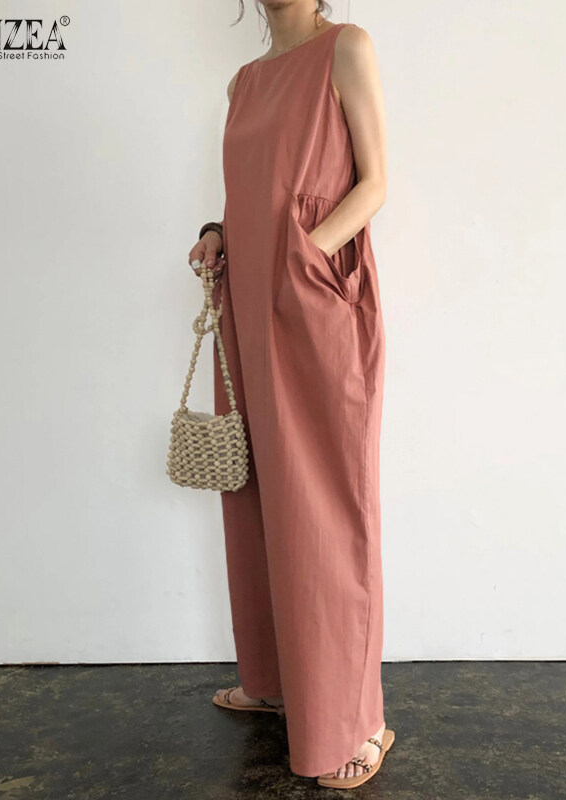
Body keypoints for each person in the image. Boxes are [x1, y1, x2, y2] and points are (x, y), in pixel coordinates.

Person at [187, 0, 392, 788]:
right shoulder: (243, 82)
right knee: (256, 494)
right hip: (248, 301)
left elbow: (374, 182)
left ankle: (360, 718)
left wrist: (306, 258)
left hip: (312, 302)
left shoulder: (346, 48)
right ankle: (275, 681)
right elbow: (254, 194)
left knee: (327, 506)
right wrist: (220, 234)